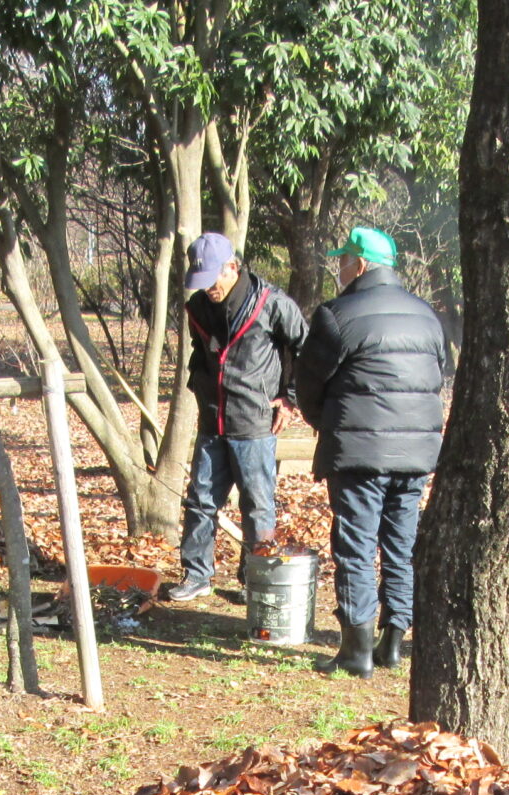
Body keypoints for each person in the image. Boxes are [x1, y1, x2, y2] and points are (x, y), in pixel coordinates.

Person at [293, 226, 448, 679]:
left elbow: (308, 385)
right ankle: (392, 643)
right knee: (401, 545)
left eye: (343, 260)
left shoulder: (337, 315)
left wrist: (328, 423)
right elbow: (436, 376)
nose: (339, 268)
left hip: (360, 453)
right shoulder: (426, 316)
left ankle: (356, 652)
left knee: (356, 547)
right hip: (415, 452)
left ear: (360, 265)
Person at [165, 232, 309, 603]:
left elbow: (306, 349)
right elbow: (200, 351)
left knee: (257, 505)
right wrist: (199, 386)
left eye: (213, 278)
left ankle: (256, 581)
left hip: (255, 422)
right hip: (212, 421)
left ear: (232, 267)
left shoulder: (272, 303)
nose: (209, 288)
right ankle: (197, 575)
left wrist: (290, 400)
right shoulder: (197, 307)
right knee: (199, 501)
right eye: (202, 281)